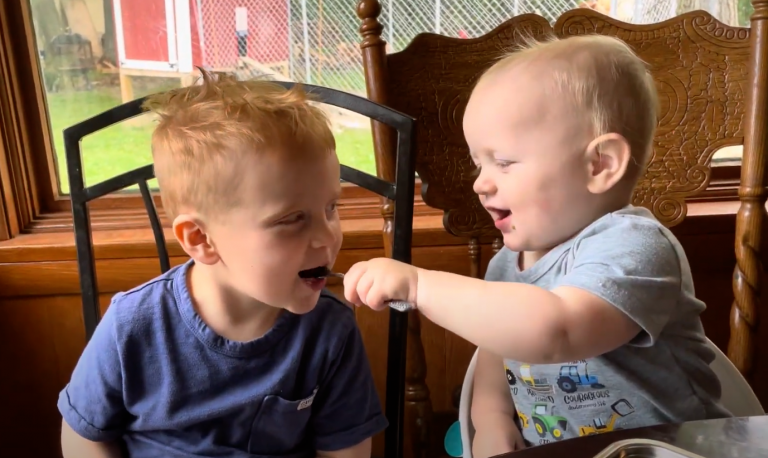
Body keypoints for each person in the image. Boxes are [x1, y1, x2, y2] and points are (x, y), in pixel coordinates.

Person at [341, 35, 730, 456]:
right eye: (479, 163)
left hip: (673, 448)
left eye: (504, 162)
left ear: (599, 165)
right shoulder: (509, 263)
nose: (480, 183)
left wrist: (420, 287)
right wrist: (489, 420)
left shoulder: (635, 249)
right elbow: (495, 359)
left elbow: (555, 330)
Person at [58, 71, 387, 458]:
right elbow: (84, 437)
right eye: (292, 219)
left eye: (331, 208)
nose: (327, 237)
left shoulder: (330, 333)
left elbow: (346, 452)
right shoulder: (132, 326)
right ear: (201, 240)